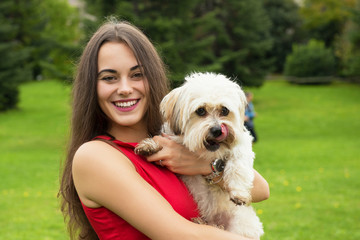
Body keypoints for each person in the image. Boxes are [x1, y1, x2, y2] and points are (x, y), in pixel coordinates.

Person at [59, 19, 269, 240]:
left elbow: (261, 190)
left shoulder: (174, 142)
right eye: (109, 78)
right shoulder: (95, 156)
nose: (124, 88)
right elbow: (178, 234)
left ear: (153, 77)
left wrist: (207, 166)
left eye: (137, 75)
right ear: (92, 86)